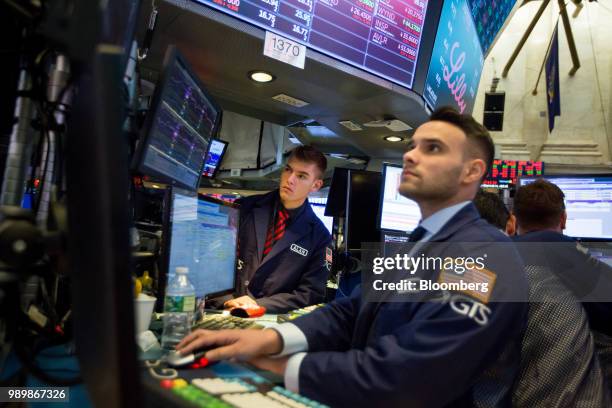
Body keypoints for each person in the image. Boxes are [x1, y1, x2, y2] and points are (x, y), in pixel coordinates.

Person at [177, 107, 528, 406]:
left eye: (432, 148)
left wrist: (280, 365)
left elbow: (409, 377)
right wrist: (272, 339)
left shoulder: (483, 257)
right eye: (413, 145)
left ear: (472, 171)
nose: (410, 155)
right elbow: (353, 311)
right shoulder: (422, 243)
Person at [222, 145, 331, 314]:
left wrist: (258, 305)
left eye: (301, 176)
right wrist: (226, 301)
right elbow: (213, 258)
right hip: (224, 308)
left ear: (315, 185)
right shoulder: (244, 208)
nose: (290, 179)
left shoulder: (320, 237)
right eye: (288, 170)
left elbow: (310, 294)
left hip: (268, 318)